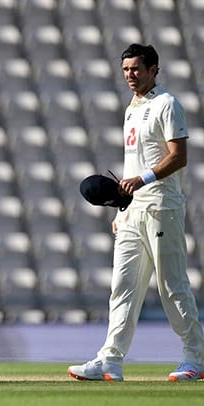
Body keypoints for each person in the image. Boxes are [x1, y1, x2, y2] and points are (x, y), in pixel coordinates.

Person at [68, 43, 204, 382]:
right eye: (126, 69)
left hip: (161, 207)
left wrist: (141, 181)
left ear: (153, 69)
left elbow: (178, 156)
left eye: (136, 69)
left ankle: (196, 357)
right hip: (133, 211)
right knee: (123, 287)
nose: (130, 75)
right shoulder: (132, 108)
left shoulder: (166, 104)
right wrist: (122, 210)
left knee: (172, 286)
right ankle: (110, 360)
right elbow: (134, 162)